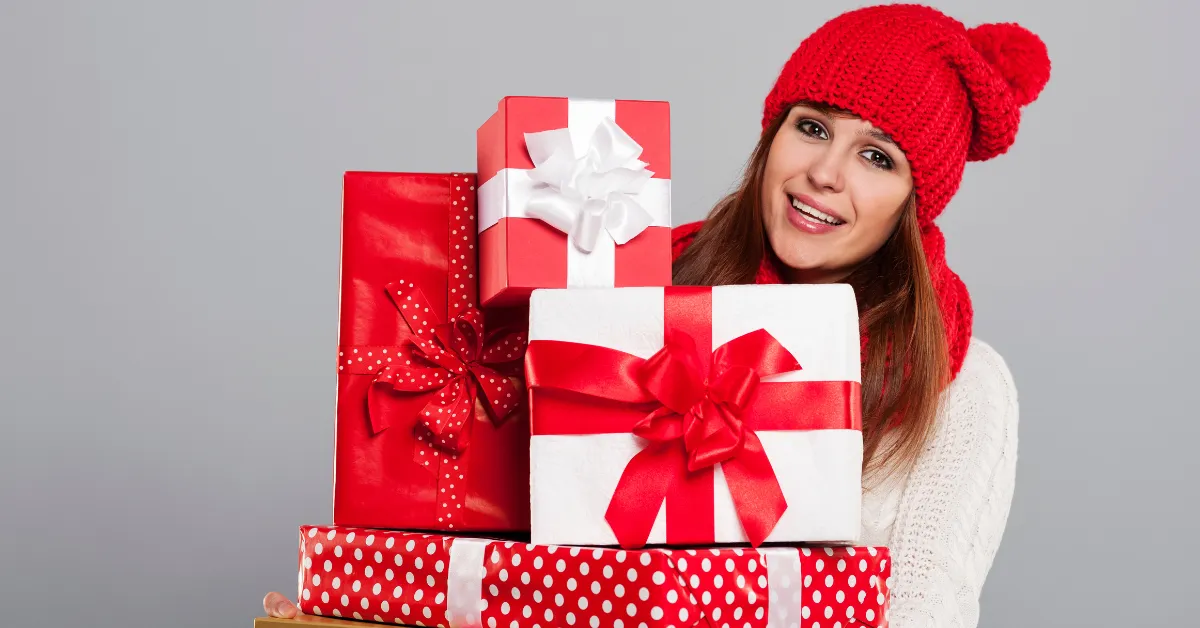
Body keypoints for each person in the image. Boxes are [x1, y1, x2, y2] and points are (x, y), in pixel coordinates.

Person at [264, 3, 1049, 626]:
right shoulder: (637, 289)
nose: (825, 173)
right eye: (811, 127)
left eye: (878, 157)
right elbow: (528, 543)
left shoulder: (964, 388)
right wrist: (366, 603)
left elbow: (927, 610)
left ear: (918, 199)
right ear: (772, 133)